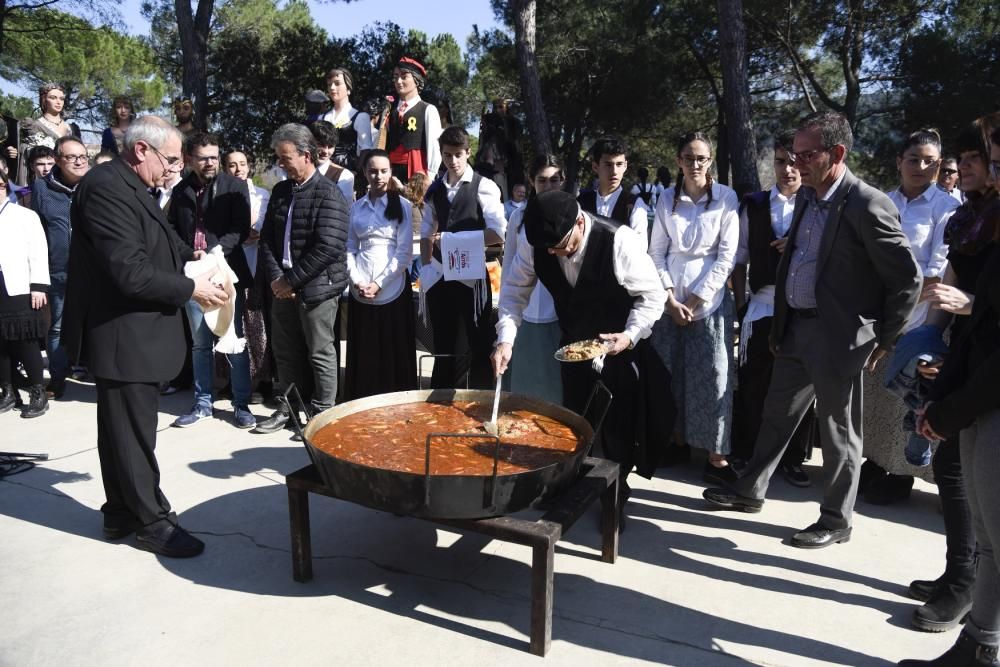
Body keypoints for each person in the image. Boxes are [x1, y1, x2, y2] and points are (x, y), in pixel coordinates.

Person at [702, 111, 921, 549]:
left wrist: (885, 338)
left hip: (839, 338)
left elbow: (907, 279)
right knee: (776, 414)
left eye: (806, 154)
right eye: (792, 155)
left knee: (839, 433)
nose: (796, 163)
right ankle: (750, 491)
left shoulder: (867, 203)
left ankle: (836, 521)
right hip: (796, 329)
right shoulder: (808, 196)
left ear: (836, 154)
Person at [62, 116, 230, 557]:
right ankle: (151, 522)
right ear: (141, 150)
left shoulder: (130, 185)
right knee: (133, 433)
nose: (175, 167)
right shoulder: (105, 187)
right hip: (122, 333)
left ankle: (119, 512)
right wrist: (191, 288)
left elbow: (157, 241)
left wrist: (191, 257)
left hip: (133, 334)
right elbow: (130, 272)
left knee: (121, 430)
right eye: (170, 159)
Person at [492, 190, 666, 531]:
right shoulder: (536, 243)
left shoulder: (619, 241)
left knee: (617, 427)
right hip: (573, 344)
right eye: (549, 249)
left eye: (561, 245)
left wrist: (629, 335)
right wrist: (505, 340)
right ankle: (569, 485)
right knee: (574, 419)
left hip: (618, 344)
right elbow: (513, 293)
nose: (555, 253)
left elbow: (652, 296)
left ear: (579, 222)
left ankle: (616, 496)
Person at [897, 124, 1000, 667]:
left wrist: (965, 307)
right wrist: (934, 337)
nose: (973, 170)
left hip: (984, 374)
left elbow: (979, 302)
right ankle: (965, 589)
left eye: (978, 160)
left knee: (978, 502)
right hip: (966, 361)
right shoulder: (973, 218)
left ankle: (968, 596)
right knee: (958, 479)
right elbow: (955, 292)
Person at [860, 129, 959, 505]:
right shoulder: (883, 201)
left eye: (930, 161)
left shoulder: (946, 209)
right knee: (875, 398)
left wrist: (898, 309)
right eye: (914, 159)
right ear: (899, 161)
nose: (921, 167)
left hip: (919, 318)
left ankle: (903, 474)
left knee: (909, 398)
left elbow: (936, 271)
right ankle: (873, 462)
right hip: (876, 313)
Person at [648, 132, 739, 475]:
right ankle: (677, 440)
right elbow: (656, 252)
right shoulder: (666, 198)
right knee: (671, 373)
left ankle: (716, 454)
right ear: (679, 160)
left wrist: (697, 298)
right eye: (689, 157)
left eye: (702, 158)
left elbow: (726, 255)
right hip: (669, 301)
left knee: (714, 375)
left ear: (711, 160)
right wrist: (670, 299)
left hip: (710, 302)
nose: (695, 164)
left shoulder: (725, 198)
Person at [730, 131, 814, 487]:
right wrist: (740, 306)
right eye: (781, 161)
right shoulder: (755, 204)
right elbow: (740, 259)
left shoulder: (817, 205)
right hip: (762, 306)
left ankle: (792, 459)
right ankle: (748, 452)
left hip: (802, 309)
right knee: (755, 382)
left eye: (795, 162)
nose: (788, 169)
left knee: (798, 391)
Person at [255, 123, 349, 433]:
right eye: (278, 158)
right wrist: (277, 279)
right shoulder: (281, 190)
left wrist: (291, 281)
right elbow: (267, 238)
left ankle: (322, 414)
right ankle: (288, 407)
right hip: (282, 286)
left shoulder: (329, 193)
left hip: (317, 289)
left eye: (285, 158)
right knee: (284, 350)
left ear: (306, 155)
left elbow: (329, 246)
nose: (280, 164)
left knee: (320, 351)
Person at [168, 131, 255, 430]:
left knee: (233, 339)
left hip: (225, 270)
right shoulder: (180, 191)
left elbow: (240, 227)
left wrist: (216, 252)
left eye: (214, 156)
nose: (210, 162)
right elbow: (171, 231)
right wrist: (189, 254)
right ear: (189, 159)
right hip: (194, 272)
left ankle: (241, 404)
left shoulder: (234, 186)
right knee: (200, 342)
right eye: (203, 157)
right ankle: (203, 402)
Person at [419, 126, 506, 389]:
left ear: (468, 153)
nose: (453, 161)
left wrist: (455, 241)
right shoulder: (434, 190)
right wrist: (425, 267)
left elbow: (499, 234)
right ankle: (440, 398)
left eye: (458, 154)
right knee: (443, 343)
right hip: (441, 275)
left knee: (477, 341)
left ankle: (479, 398)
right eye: (447, 155)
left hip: (472, 278)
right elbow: (425, 232)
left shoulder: (485, 186)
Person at [343, 149, 417, 399]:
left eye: (384, 171)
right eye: (373, 171)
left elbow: (404, 252)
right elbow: (350, 248)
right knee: (365, 348)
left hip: (392, 285)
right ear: (364, 173)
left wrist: (379, 283)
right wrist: (358, 281)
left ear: (391, 172)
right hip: (360, 284)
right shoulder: (356, 208)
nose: (378, 176)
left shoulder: (403, 206)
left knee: (392, 347)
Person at [499, 154, 565, 404]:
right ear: (531, 181)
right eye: (542, 180)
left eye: (554, 180)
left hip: (557, 315)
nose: (548, 187)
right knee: (522, 392)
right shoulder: (518, 218)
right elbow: (509, 270)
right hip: (525, 311)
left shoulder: (572, 216)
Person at [30, 135, 90, 400]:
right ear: (57, 160)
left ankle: (99, 372)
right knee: (57, 326)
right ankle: (57, 377)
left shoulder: (94, 185)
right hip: (58, 270)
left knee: (98, 323)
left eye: (83, 157)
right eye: (72, 157)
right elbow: (38, 231)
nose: (79, 162)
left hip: (93, 270)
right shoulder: (42, 188)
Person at [223, 149, 274, 401]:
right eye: (232, 165)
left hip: (256, 267)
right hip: (230, 267)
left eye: (242, 163)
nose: (238, 169)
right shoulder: (221, 196)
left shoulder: (262, 195)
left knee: (257, 325)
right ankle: (234, 379)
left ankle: (262, 381)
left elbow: (257, 229)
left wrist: (244, 231)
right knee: (232, 325)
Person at [0, 168, 50, 418]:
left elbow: (38, 251)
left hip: (19, 286)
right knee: (1, 343)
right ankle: (8, 390)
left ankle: (38, 392)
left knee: (24, 340)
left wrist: (39, 285)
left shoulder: (24, 216)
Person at [578, 136, 649, 250]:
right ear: (595, 166)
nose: (614, 171)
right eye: (608, 165)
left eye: (619, 164)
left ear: (625, 166)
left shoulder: (634, 204)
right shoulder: (581, 201)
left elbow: (640, 249)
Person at [379, 56, 442, 184]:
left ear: (416, 80)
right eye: (396, 77)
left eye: (404, 76)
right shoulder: (390, 110)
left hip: (416, 168)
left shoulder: (428, 109)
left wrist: (430, 174)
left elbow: (433, 145)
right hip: (391, 170)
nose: (398, 81)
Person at [6, 83, 80, 186]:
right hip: (43, 181)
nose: (58, 102)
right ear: (44, 100)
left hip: (69, 180)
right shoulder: (33, 126)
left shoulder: (72, 129)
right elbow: (21, 152)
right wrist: (14, 151)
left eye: (61, 98)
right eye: (53, 98)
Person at [322, 67, 373, 172]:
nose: (332, 87)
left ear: (348, 89)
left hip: (349, 172)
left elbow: (366, 149)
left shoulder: (360, 117)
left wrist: (356, 173)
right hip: (324, 172)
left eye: (337, 83)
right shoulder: (323, 117)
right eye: (329, 84)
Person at [308, 120, 354, 202]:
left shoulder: (343, 176)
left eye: (330, 146)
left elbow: (344, 211)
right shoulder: (298, 170)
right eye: (321, 145)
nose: (326, 151)